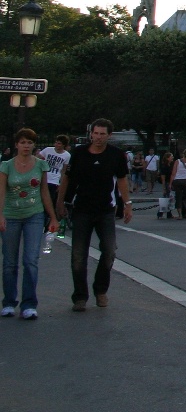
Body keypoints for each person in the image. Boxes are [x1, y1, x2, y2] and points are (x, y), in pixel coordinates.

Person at [57, 118, 132, 311]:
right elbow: (67, 178)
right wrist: (60, 202)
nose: (98, 137)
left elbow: (122, 180)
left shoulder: (116, 155)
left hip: (105, 210)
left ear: (109, 135)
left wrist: (127, 204)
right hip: (81, 208)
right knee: (78, 255)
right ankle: (80, 296)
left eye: (102, 134)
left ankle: (101, 290)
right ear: (91, 134)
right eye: (95, 133)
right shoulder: (79, 153)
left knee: (109, 251)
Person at [1, 128, 59, 319]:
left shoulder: (41, 165)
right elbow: (1, 192)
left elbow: (44, 191)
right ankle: (9, 302)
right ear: (16, 144)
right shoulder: (6, 166)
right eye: (23, 142)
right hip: (11, 215)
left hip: (34, 214)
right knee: (10, 262)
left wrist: (53, 217)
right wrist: (0, 215)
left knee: (30, 260)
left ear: (34, 145)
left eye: (30, 142)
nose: (26, 146)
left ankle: (29, 304)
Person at [37, 135, 71, 213]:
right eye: (56, 143)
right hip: (43, 178)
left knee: (50, 200)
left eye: (59, 143)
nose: (56, 145)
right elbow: (37, 158)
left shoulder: (67, 155)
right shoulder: (48, 150)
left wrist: (61, 183)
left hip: (54, 180)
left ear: (63, 145)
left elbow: (63, 170)